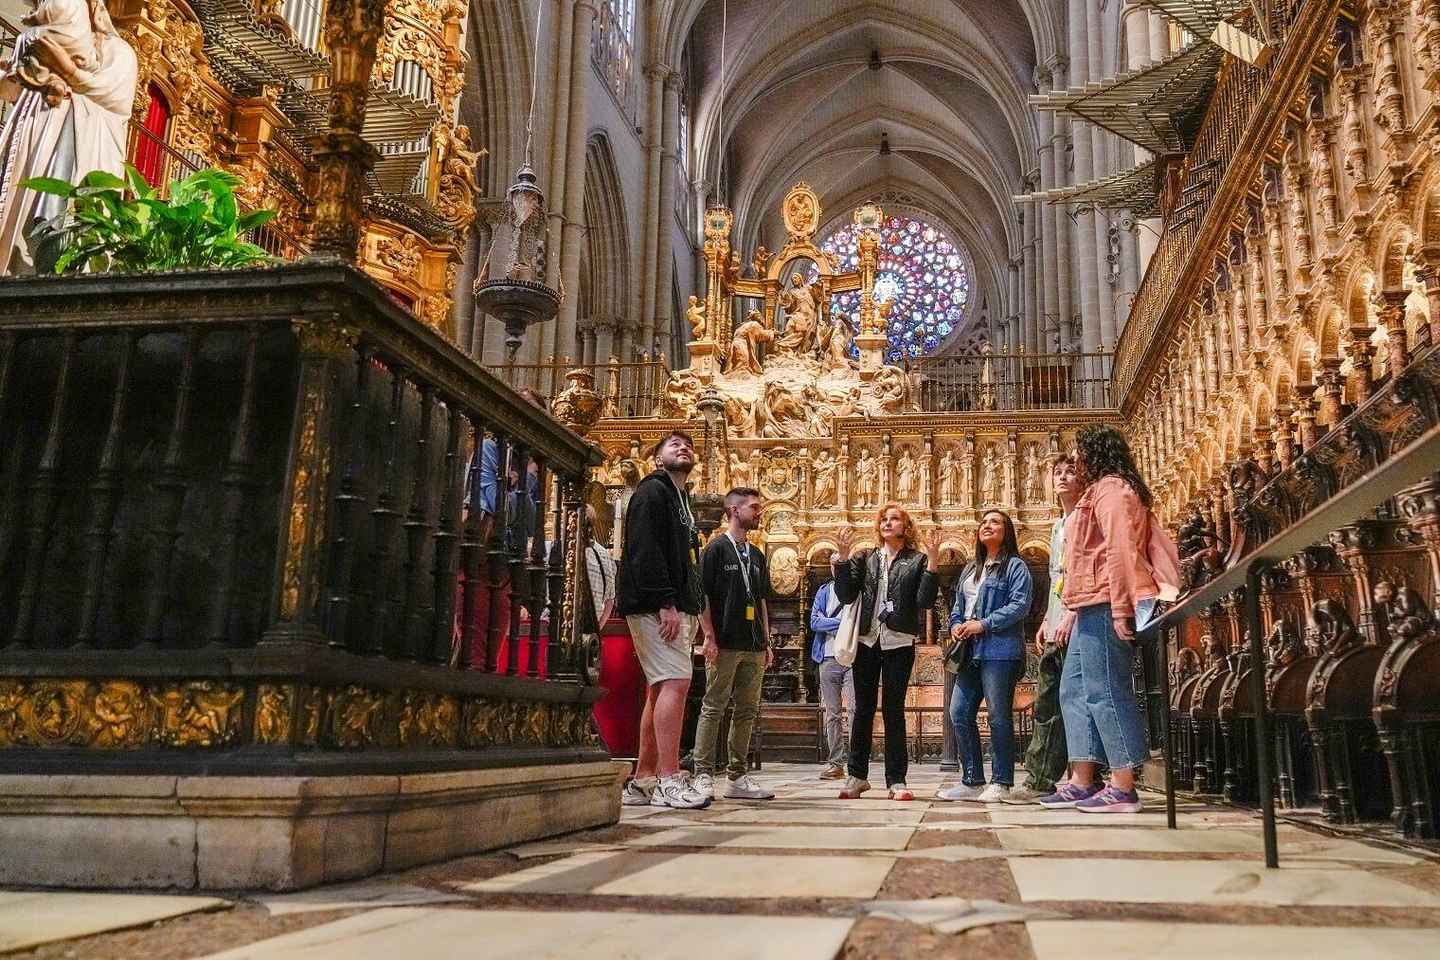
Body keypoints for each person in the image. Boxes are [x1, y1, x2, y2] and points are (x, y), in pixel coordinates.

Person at [1043, 425, 1180, 813]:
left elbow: (1120, 552)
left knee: (1105, 689)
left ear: (1095, 453)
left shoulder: (1113, 490)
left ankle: (1123, 785)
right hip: (1088, 603)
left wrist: (1122, 608)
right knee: (1073, 690)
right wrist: (1072, 608)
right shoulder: (1097, 492)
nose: (1075, 461)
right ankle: (1082, 779)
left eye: (1079, 453)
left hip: (1106, 602)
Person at [615, 431, 710, 809]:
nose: (683, 447)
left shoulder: (679, 499)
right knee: (675, 682)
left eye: (688, 446)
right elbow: (646, 550)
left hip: (672, 604)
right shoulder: (652, 492)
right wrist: (666, 602)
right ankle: (670, 779)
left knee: (660, 688)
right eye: (674, 445)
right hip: (656, 605)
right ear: (657, 458)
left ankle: (643, 780)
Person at [832, 504, 940, 801]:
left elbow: (925, 601)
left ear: (906, 527)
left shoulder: (916, 560)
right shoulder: (866, 557)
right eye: (884, 519)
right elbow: (846, 595)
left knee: (894, 711)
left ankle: (896, 780)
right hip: (867, 640)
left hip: (899, 642)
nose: (887, 523)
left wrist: (932, 563)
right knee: (862, 710)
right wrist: (843, 559)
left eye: (894, 519)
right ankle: (857, 776)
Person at [937, 509, 1033, 803]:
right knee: (959, 711)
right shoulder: (970, 569)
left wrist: (984, 624)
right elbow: (958, 605)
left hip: (999, 650)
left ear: (1007, 531)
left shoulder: (1015, 566)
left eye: (995, 522)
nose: (987, 525)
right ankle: (972, 780)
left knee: (998, 715)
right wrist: (955, 624)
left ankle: (1001, 781)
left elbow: (1020, 605)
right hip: (969, 650)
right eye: (984, 522)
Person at [1008, 455, 1082, 804]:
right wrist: (1048, 618)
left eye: (1071, 472)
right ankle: (1052, 778)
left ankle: (1049, 779)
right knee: (1050, 703)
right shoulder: (1059, 525)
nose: (1063, 477)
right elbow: (1058, 577)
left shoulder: (1085, 518)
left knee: (1066, 702)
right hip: (1058, 623)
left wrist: (1071, 614)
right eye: (1058, 472)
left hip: (1076, 622)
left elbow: (1086, 572)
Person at [694, 487, 776, 801]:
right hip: (725, 641)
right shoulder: (715, 549)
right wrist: (708, 636)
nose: (758, 513)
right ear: (734, 510)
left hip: (753, 644)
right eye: (754, 507)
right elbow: (702, 595)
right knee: (714, 707)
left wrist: (766, 641)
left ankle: (737, 776)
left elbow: (761, 599)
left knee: (747, 710)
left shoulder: (756, 554)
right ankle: (703, 773)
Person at [809, 573, 854, 780]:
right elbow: (814, 623)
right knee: (832, 714)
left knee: (855, 711)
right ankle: (836, 763)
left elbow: (858, 623)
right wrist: (842, 623)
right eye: (834, 565)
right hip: (827, 657)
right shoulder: (824, 591)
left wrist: (827, 621)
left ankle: (855, 764)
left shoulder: (855, 590)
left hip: (852, 658)